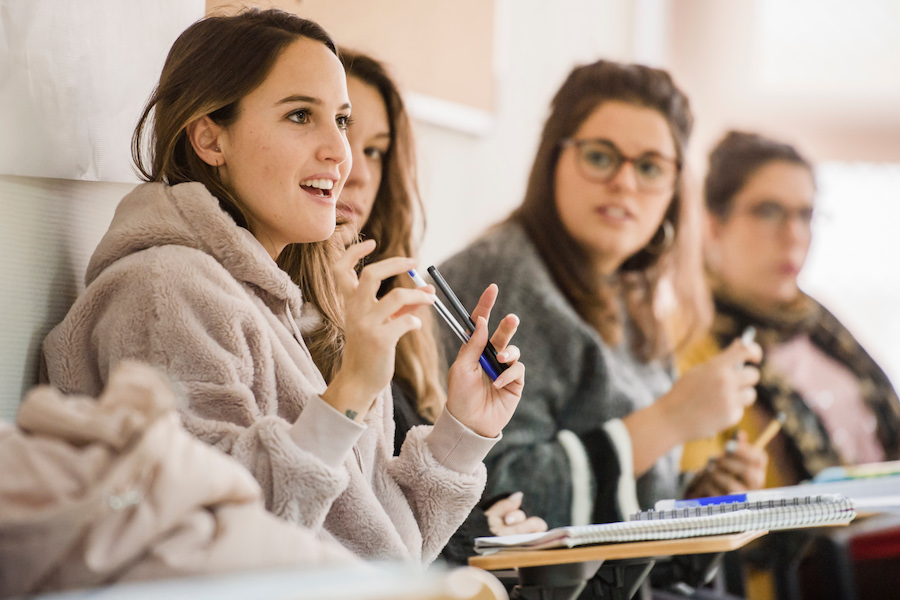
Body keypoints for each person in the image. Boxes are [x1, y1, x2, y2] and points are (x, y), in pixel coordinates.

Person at [40, 9, 525, 564]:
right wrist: (350, 391)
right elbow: (220, 539)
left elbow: (380, 541)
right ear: (209, 138)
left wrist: (462, 431)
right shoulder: (164, 293)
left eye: (340, 120)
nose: (340, 154)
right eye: (300, 116)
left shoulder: (287, 308)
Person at [436, 60, 767, 533]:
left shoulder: (627, 288)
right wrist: (669, 421)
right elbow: (492, 502)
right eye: (600, 157)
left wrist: (696, 497)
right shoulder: (498, 282)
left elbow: (622, 514)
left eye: (651, 167)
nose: (625, 183)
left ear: (674, 188)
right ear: (553, 160)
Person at [318, 49, 548, 564]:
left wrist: (492, 517)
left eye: (375, 150)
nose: (353, 171)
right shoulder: (285, 313)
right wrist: (476, 538)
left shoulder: (397, 299)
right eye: (337, 130)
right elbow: (342, 519)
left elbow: (408, 500)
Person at [680, 131, 900, 487]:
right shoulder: (687, 343)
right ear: (713, 225)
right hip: (794, 541)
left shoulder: (821, 326)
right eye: (769, 212)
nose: (794, 234)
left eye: (805, 215)